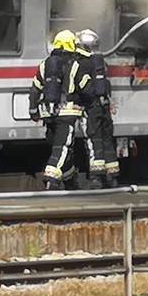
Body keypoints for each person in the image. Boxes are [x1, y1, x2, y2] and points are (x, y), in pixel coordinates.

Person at [30, 30, 91, 190]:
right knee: (63, 147)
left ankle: (70, 179)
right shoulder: (75, 65)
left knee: (62, 148)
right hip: (68, 113)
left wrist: (33, 110)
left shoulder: (44, 65)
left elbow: (35, 89)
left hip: (48, 113)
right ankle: (51, 178)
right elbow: (85, 88)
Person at [75, 29, 120, 188]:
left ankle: (96, 178)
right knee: (107, 140)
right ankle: (112, 177)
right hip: (104, 107)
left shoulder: (82, 63)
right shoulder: (101, 62)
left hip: (91, 107)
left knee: (94, 141)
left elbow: (83, 86)